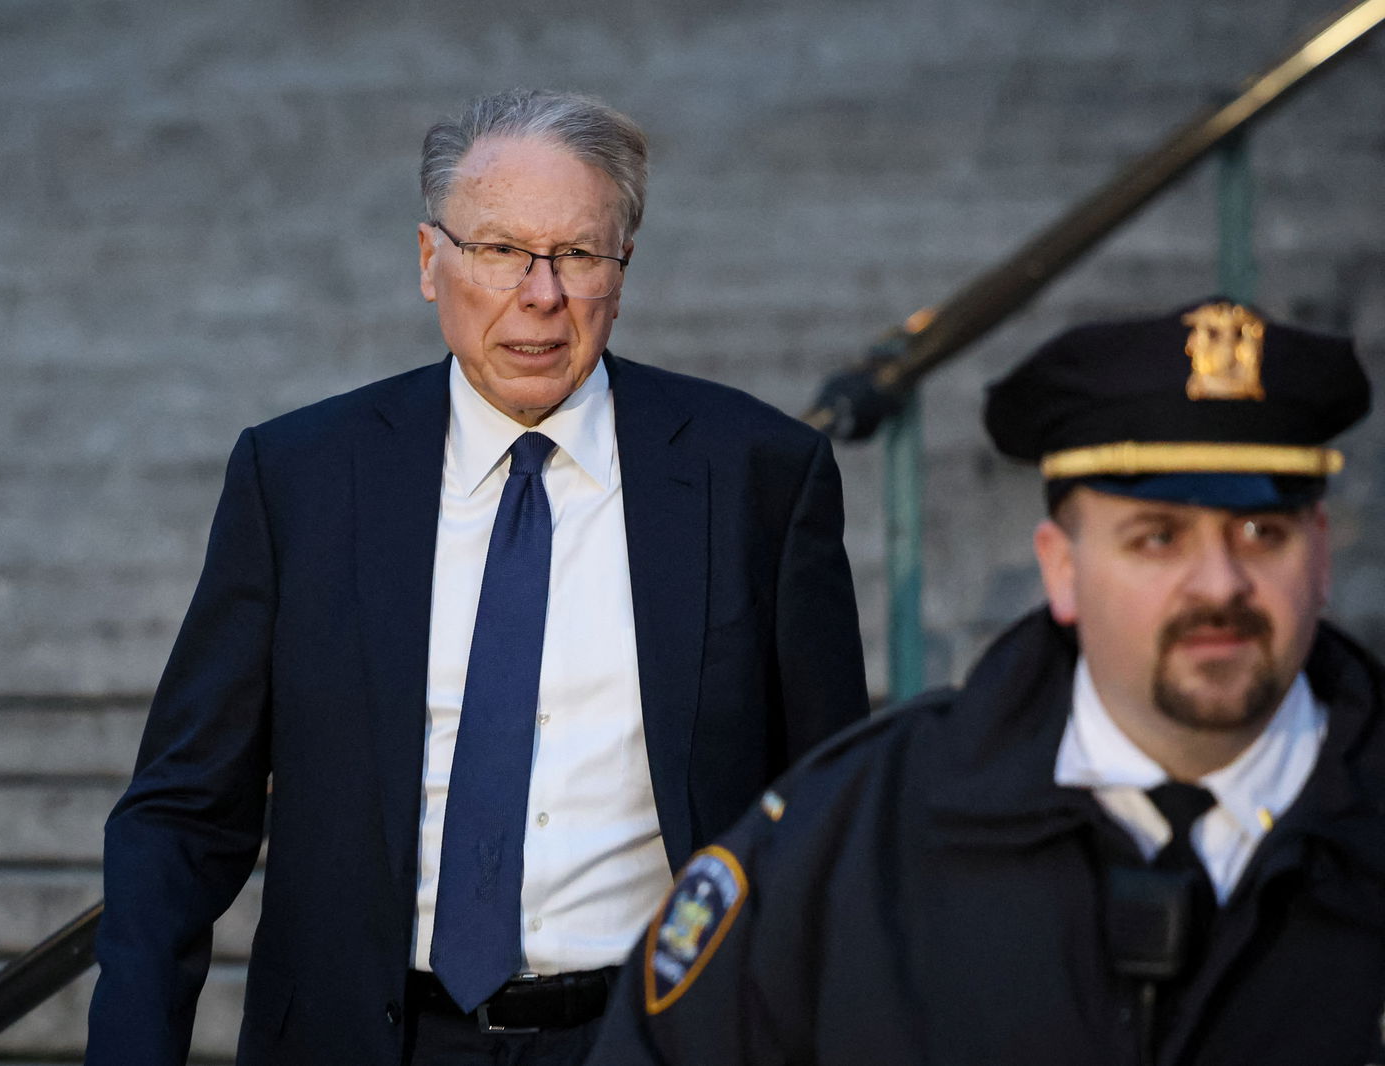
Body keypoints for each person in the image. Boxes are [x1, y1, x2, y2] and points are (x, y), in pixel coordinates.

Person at [84, 88, 869, 1066]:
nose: (538, 294)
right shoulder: (301, 480)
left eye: (577, 254)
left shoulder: (756, 475)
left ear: (621, 274)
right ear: (430, 261)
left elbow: (836, 813)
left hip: (656, 1037)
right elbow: (186, 807)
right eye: (498, 250)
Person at [585, 299, 1385, 1066]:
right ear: (1061, 568)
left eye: (1260, 533)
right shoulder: (855, 838)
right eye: (1157, 538)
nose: (1218, 585)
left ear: (1319, 554)